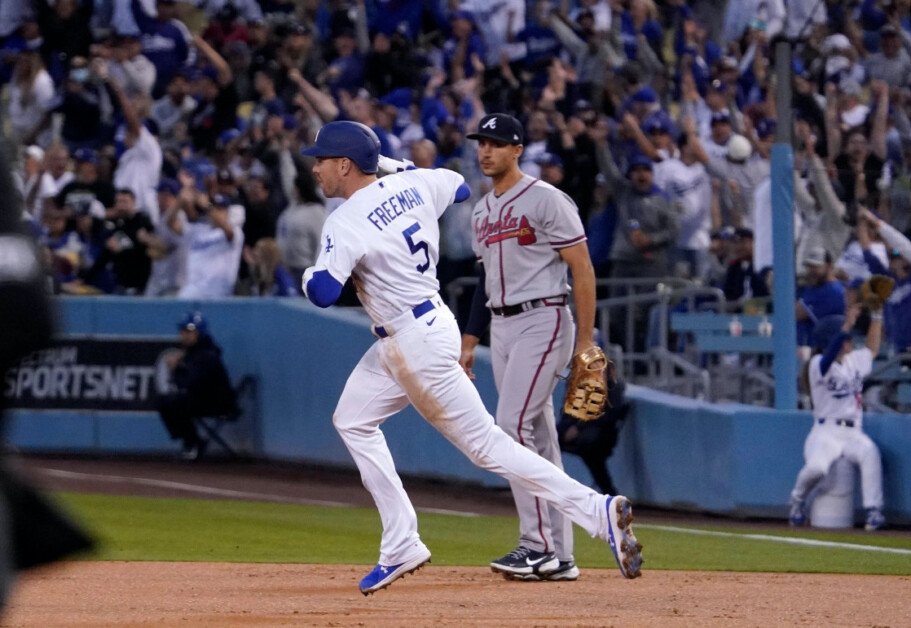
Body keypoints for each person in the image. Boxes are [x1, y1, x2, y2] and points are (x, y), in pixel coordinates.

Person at [299, 121, 642, 595]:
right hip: (419, 330)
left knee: (488, 446)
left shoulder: (345, 219)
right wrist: (396, 170)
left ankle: (596, 511)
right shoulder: (415, 182)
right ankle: (401, 542)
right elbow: (458, 187)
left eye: (322, 159)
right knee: (352, 419)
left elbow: (321, 293)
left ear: (345, 164)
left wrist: (306, 273)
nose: (315, 168)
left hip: (414, 342)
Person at [458, 113, 600, 582]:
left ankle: (534, 544)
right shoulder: (481, 211)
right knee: (538, 436)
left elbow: (582, 268)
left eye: (496, 143)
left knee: (510, 426)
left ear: (517, 149)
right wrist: (469, 340)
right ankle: (560, 555)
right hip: (501, 327)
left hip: (544, 318)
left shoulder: (546, 199)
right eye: (482, 143)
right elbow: (483, 282)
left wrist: (585, 343)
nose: (486, 151)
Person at [788, 306, 886, 531]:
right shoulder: (817, 364)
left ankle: (874, 510)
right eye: (846, 338)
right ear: (833, 339)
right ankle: (797, 500)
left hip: (853, 432)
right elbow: (829, 356)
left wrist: (877, 316)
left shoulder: (853, 361)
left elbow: (872, 348)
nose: (850, 341)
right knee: (817, 469)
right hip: (826, 433)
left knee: (870, 453)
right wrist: (846, 326)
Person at [156, 311, 237, 460]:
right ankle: (191, 442)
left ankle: (192, 444)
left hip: (218, 402)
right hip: (205, 399)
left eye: (190, 331)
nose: (185, 335)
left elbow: (190, 383)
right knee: (168, 401)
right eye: (183, 331)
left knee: (173, 403)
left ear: (199, 333)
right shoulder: (195, 352)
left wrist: (176, 369)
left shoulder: (205, 354)